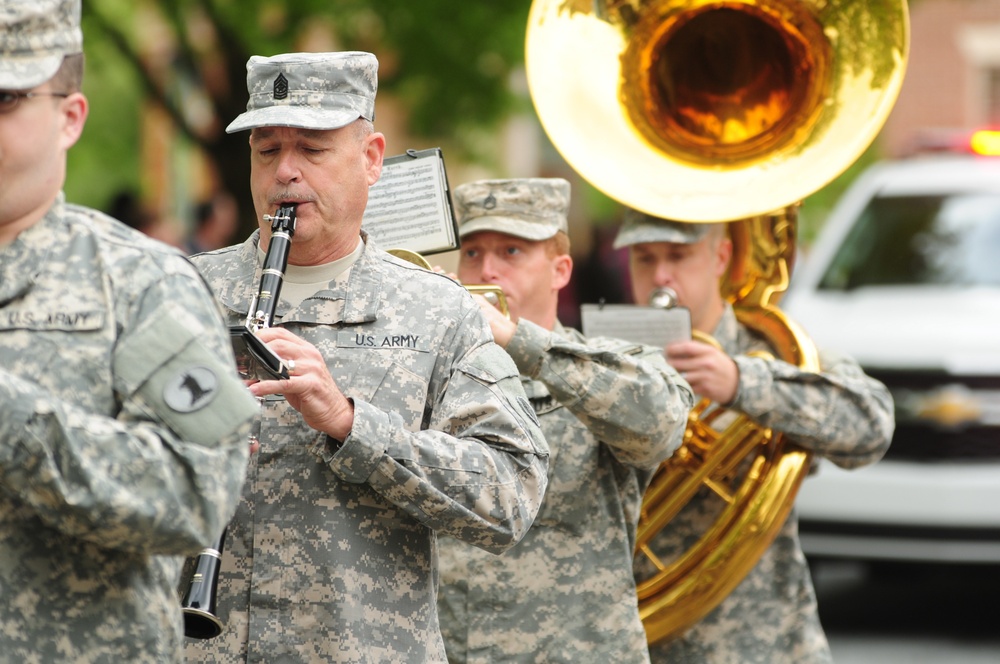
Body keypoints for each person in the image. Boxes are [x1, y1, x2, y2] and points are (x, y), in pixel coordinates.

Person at [183, 52, 549, 663]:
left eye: (313, 150)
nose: (285, 174)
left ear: (371, 158)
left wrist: (353, 425)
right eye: (267, 150)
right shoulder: (176, 292)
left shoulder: (439, 311)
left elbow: (510, 496)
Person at [0, 1, 259, 661]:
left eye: (4, 100)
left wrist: (15, 418)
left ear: (69, 116)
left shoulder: (143, 284)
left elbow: (198, 495)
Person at [614, 210, 895, 663]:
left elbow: (872, 428)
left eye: (678, 256)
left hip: (759, 642)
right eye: (644, 259)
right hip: (634, 643)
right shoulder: (606, 365)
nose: (660, 276)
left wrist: (743, 383)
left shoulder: (774, 353)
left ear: (720, 256)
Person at [435, 178, 694, 663]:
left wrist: (519, 342)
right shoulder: (431, 374)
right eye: (472, 253)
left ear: (560, 271)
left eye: (511, 251)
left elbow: (660, 425)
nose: (486, 269)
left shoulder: (614, 361)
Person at [185, 190, 239, 255]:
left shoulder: (225, 254)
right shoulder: (185, 253)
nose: (232, 225)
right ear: (209, 220)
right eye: (226, 221)